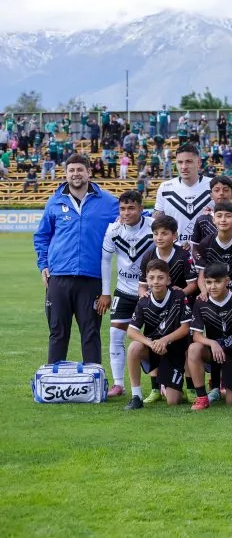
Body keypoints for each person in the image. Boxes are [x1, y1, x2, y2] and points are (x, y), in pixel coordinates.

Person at [34, 153, 119, 365]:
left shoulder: (108, 202)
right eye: (71, 170)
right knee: (58, 332)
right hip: (59, 278)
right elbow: (42, 236)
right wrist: (43, 264)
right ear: (65, 174)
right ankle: (53, 384)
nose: (76, 174)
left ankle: (94, 383)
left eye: (80, 169)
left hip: (91, 279)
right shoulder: (55, 201)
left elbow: (132, 216)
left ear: (89, 172)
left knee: (90, 333)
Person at [98, 190, 154, 397]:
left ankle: (161, 383)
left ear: (141, 208)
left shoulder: (152, 227)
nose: (126, 212)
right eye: (122, 208)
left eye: (131, 208)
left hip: (149, 292)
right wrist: (105, 292)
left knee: (155, 336)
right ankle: (119, 384)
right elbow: (105, 260)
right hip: (123, 290)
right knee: (115, 334)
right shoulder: (113, 230)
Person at [123, 260, 192, 410]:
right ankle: (136, 396)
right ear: (146, 280)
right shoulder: (143, 302)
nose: (156, 281)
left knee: (173, 401)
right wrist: (151, 343)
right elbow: (131, 331)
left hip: (174, 349)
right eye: (152, 278)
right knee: (134, 347)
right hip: (153, 348)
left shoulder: (178, 296)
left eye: (160, 277)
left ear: (168, 279)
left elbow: (186, 327)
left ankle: (172, 385)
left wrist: (165, 340)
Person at [187, 262, 232, 410]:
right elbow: (196, 335)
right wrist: (212, 343)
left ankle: (228, 385)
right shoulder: (201, 302)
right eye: (208, 282)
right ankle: (202, 397)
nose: (212, 286)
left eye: (217, 282)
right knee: (194, 348)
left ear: (227, 281)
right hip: (213, 352)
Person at [191, 201, 232, 300]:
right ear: (213, 219)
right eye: (219, 216)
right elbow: (201, 275)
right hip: (213, 292)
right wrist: (204, 292)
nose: (223, 220)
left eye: (228, 216)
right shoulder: (205, 243)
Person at [152, 144, 212, 246]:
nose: (184, 167)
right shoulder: (165, 187)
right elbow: (156, 219)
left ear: (198, 163)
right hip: (175, 252)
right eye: (180, 162)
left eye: (189, 161)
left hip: (207, 251)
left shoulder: (213, 186)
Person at [191, 176, 232, 245]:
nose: (221, 193)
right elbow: (195, 247)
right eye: (217, 190)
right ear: (211, 195)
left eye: (226, 190)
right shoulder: (202, 220)